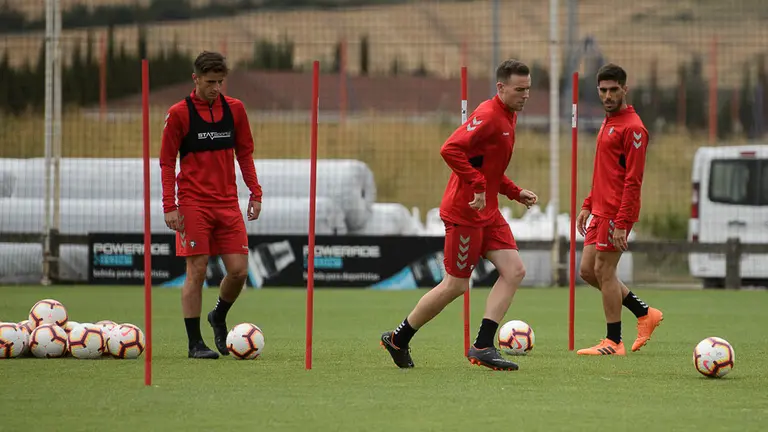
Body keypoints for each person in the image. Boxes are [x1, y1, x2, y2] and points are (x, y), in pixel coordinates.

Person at [380, 59, 538, 371]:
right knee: (455, 285)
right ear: (501, 88)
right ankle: (398, 339)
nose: (525, 95)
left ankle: (482, 346)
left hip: (488, 211)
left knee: (515, 270)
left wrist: (514, 191)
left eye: (528, 89)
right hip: (465, 213)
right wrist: (478, 185)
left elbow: (487, 166)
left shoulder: (509, 116)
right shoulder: (489, 115)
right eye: (519, 89)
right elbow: (450, 148)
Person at [160, 51, 263, 359]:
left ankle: (218, 316)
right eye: (210, 82)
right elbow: (166, 162)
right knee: (197, 270)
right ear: (196, 79)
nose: (216, 88)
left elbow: (245, 153)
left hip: (228, 204)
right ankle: (195, 344)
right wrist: (170, 205)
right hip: (193, 204)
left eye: (220, 82)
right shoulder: (179, 113)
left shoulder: (236, 110)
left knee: (239, 272)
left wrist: (255, 193)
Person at [576, 63, 663, 356]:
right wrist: (588, 204)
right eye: (604, 90)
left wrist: (623, 222)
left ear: (625, 89)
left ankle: (614, 342)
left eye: (614, 90)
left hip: (616, 212)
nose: (609, 95)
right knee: (589, 271)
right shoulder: (608, 121)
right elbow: (605, 171)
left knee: (605, 270)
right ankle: (645, 312)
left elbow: (633, 180)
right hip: (599, 210)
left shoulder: (633, 128)